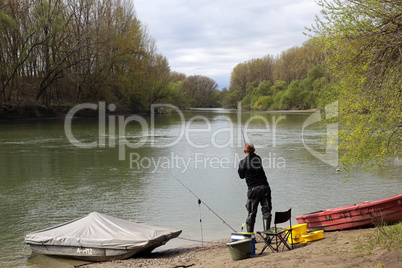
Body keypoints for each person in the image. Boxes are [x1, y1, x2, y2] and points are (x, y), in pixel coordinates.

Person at [238, 143, 272, 233]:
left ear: (245, 151)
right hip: (265, 188)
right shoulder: (258, 158)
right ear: (254, 151)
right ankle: (267, 236)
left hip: (253, 190)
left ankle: (251, 238)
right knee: (266, 211)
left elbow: (241, 176)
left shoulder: (242, 162)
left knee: (251, 213)